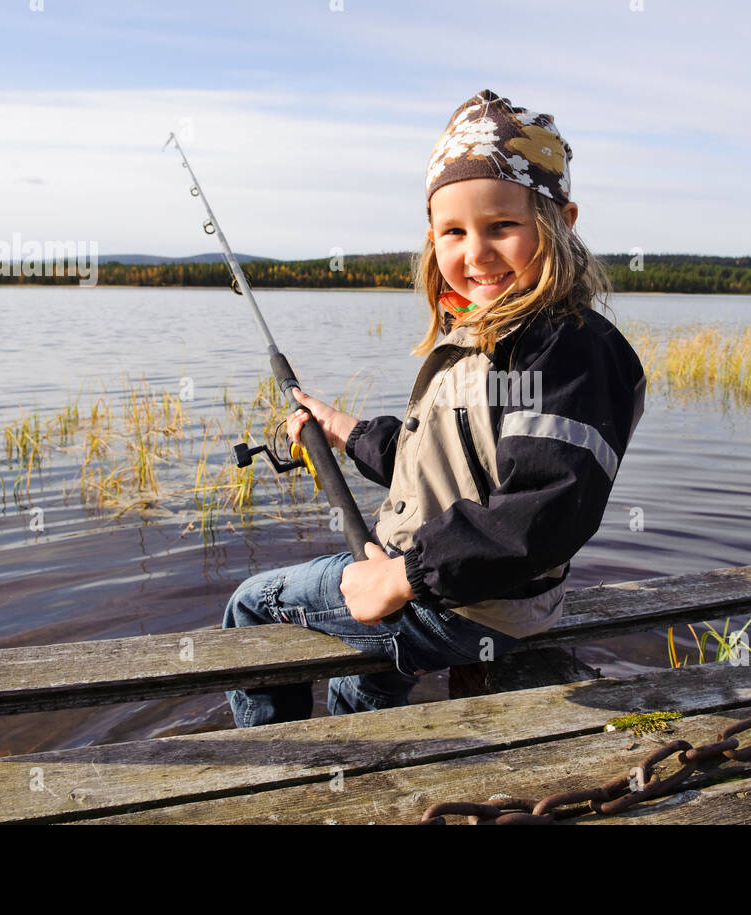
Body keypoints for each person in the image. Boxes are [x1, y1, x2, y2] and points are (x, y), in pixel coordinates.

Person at [223, 88, 646, 727]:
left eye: (502, 226)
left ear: (562, 220)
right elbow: (438, 463)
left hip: (459, 603)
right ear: (432, 236)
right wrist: (344, 430)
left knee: (253, 605)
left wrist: (402, 577)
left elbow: (549, 507)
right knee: (357, 690)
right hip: (462, 588)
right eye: (453, 231)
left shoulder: (569, 349)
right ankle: (360, 764)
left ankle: (269, 767)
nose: (475, 253)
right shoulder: (488, 335)